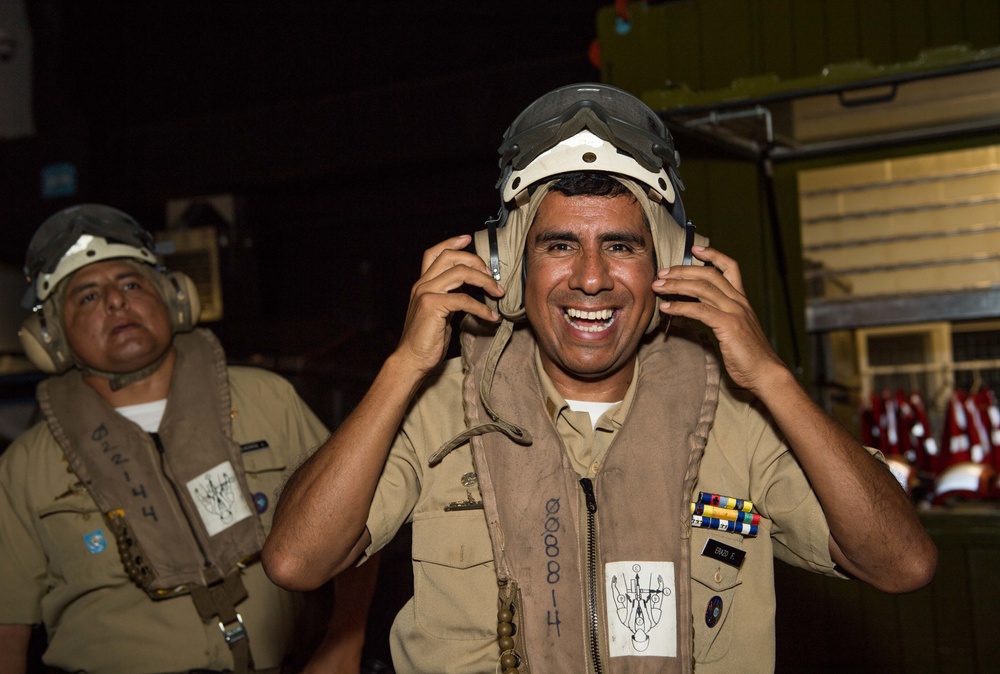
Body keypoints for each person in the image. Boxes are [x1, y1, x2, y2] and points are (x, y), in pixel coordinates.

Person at [261, 83, 937, 673]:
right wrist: (405, 365)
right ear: (507, 267)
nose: (591, 278)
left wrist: (769, 375)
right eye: (559, 246)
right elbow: (297, 562)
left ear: (668, 262)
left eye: (621, 245)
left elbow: (901, 565)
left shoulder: (735, 412)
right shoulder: (440, 406)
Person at [0, 204, 376, 674]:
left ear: (174, 297)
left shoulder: (267, 400)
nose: (116, 302)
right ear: (50, 337)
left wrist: (345, 639)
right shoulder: (24, 467)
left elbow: (360, 525)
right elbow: (7, 629)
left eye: (131, 284)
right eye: (88, 297)